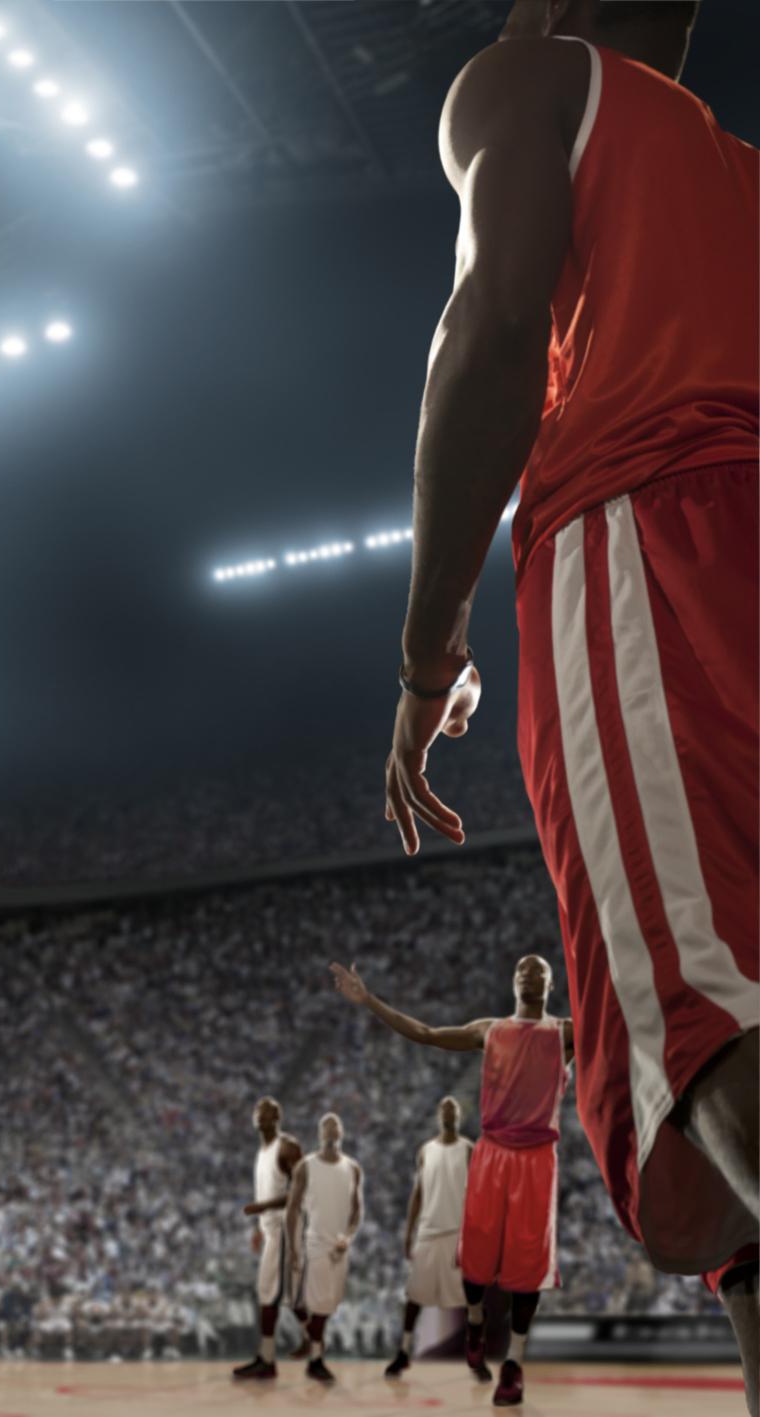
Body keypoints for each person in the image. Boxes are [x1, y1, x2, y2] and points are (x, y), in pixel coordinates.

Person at [376, 0, 758, 1403]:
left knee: (708, 1020)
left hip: (656, 529)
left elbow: (489, 325)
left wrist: (429, 659)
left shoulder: (529, 80)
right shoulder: (741, 173)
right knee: (739, 1186)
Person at [332, 957, 568, 1406]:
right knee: (477, 1256)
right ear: (513, 981)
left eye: (539, 973)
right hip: (493, 1151)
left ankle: (514, 1365)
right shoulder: (489, 1029)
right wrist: (368, 1001)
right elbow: (426, 1033)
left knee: (527, 1267)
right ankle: (475, 1319)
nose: (530, 977)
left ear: (551, 984)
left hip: (537, 1157)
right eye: (523, 971)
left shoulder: (565, 1033)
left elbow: (618, 1033)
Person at [386, 1095, 475, 1378]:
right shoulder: (426, 1150)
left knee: (470, 1300)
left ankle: (476, 1357)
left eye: (454, 1109)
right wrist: (408, 1232)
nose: (449, 1113)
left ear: (459, 1117)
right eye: (445, 1109)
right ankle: (403, 1351)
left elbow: (477, 1193)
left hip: (457, 1232)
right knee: (414, 1296)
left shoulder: (469, 1149)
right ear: (439, 1115)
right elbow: (418, 1193)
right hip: (428, 1230)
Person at [231, 1097, 312, 1379]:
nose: (259, 1115)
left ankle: (267, 1361)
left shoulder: (288, 1147)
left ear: (277, 1117)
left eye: (265, 1112)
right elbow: (265, 1192)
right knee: (288, 1294)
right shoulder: (262, 1151)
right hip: (270, 1228)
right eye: (256, 1111)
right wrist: (258, 1227)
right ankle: (313, 1341)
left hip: (285, 1229)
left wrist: (263, 1209)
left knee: (268, 1294)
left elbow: (303, 1190)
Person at [283, 1113, 362, 1385]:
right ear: (319, 1134)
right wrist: (293, 1246)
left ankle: (310, 1337)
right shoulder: (306, 1166)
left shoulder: (353, 1168)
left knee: (329, 1304)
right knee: (313, 1304)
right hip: (315, 1241)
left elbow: (357, 1209)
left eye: (335, 1126)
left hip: (339, 1246)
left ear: (342, 1133)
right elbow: (292, 1208)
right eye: (326, 1127)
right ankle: (316, 1361)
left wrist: (348, 1237)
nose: (331, 1131)